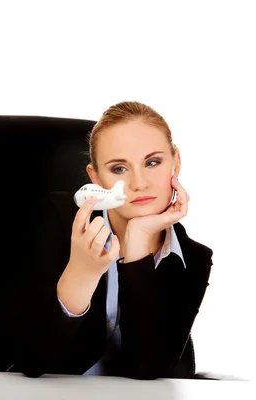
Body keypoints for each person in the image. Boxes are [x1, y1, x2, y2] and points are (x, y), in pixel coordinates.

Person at [18, 101, 213, 380]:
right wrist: (81, 273)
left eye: (152, 162)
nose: (139, 183)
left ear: (176, 163)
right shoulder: (59, 219)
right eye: (119, 169)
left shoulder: (194, 258)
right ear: (96, 178)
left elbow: (150, 368)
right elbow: (33, 361)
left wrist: (138, 246)